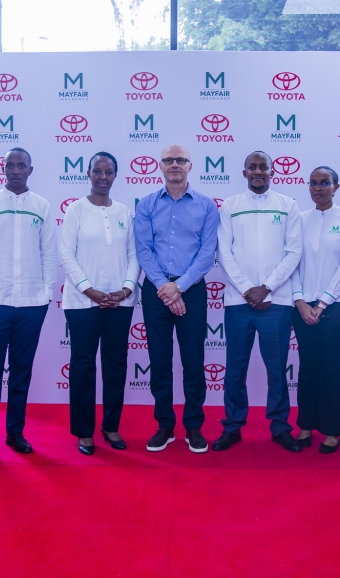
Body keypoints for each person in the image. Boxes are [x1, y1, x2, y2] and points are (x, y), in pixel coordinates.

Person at [0, 148, 57, 462]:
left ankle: (15, 432)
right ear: (3, 169)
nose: (15, 170)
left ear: (31, 169)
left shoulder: (41, 206)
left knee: (21, 372)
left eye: (21, 166)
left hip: (31, 304)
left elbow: (49, 254)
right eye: (9, 165)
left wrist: (44, 294)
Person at [214, 151, 303, 453]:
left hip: (277, 302)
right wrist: (247, 289)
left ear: (272, 171)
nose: (258, 172)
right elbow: (224, 252)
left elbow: (293, 252)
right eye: (252, 167)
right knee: (235, 369)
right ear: (244, 172)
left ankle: (280, 427)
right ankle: (233, 427)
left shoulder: (287, 205)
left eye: (263, 167)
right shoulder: (230, 206)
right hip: (238, 302)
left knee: (277, 370)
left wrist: (266, 287)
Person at [134, 144, 219, 453]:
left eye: (180, 160)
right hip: (156, 289)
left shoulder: (207, 206)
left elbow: (207, 253)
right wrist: (165, 288)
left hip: (192, 289)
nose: (174, 165)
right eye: (168, 160)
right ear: (160, 165)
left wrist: (179, 287)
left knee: (193, 361)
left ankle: (194, 426)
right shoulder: (145, 205)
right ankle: (165, 425)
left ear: (190, 166)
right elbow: (143, 249)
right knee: (160, 361)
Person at [58, 152, 140, 455]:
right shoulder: (75, 211)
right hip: (82, 302)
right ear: (88, 174)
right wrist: (88, 290)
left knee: (116, 365)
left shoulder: (124, 212)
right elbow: (66, 254)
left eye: (108, 172)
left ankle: (111, 425)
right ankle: (84, 431)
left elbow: (134, 255)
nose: (103, 177)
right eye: (97, 171)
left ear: (116, 176)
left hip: (120, 302)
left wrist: (126, 289)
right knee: (82, 365)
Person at [289, 166, 340, 454]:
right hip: (303, 306)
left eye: (324, 183)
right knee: (307, 367)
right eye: (313, 183)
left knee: (332, 367)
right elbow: (292, 262)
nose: (318, 188)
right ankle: (305, 425)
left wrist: (323, 302)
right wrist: (299, 300)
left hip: (338, 306)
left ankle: (332, 430)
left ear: (336, 186)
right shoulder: (299, 220)